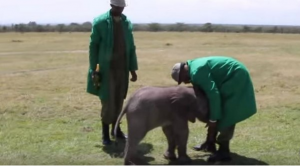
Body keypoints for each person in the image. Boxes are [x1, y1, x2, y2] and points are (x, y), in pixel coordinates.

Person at [171, 56, 257, 162]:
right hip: (231, 75)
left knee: (226, 113)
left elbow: (214, 94)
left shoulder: (197, 72)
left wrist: (213, 119)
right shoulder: (193, 67)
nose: (185, 82)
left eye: (183, 79)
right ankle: (210, 143)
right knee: (216, 110)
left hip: (235, 76)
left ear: (184, 71)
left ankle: (224, 151)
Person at [86, 0, 138, 146]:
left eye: (122, 8)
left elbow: (131, 47)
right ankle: (105, 134)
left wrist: (133, 69)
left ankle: (116, 130)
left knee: (119, 99)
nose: (120, 10)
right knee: (108, 101)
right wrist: (93, 69)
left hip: (122, 68)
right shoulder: (100, 22)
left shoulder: (126, 23)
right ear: (111, 6)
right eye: (117, 7)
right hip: (105, 69)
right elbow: (93, 46)